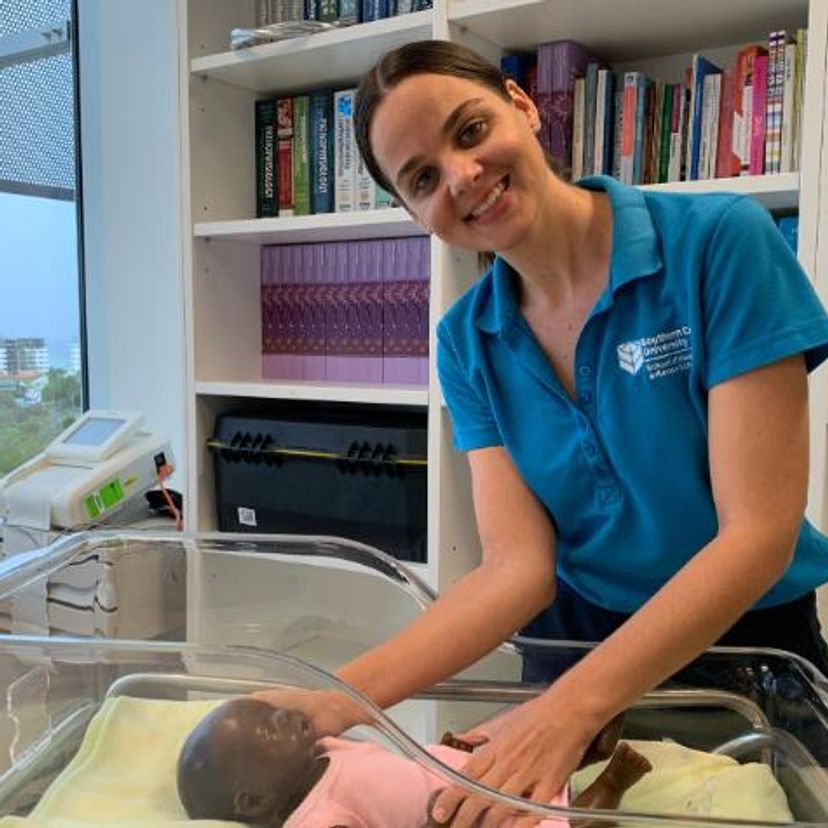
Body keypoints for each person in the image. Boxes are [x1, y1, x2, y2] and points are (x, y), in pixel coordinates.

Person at [254, 39, 828, 827]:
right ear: (413, 212)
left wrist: (571, 709)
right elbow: (515, 570)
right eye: (422, 179)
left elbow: (756, 535)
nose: (462, 177)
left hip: (743, 651)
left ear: (522, 106)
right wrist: (336, 700)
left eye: (469, 130)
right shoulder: (467, 340)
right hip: (571, 647)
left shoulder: (719, 243)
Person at [177, 697, 652, 827]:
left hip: (458, 775)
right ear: (254, 800)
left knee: (521, 761)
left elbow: (392, 766)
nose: (285, 717)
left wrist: (448, 751)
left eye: (273, 712)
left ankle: (582, 749)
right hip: (460, 816)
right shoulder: (316, 818)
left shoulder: (321, 753)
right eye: (270, 730)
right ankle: (609, 786)